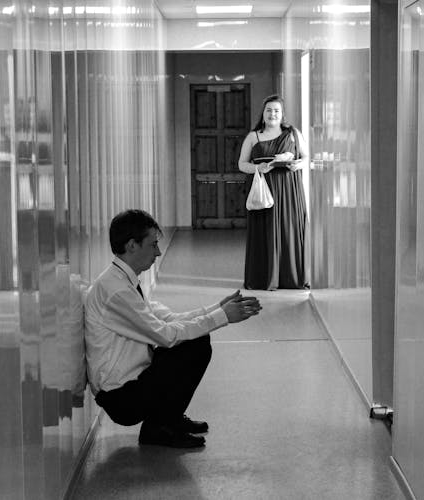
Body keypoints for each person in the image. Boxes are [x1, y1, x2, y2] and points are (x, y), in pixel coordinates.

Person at [84, 209, 262, 448]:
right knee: (194, 345)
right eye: (153, 244)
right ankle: (159, 428)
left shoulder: (123, 280)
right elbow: (166, 336)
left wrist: (217, 309)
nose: (158, 252)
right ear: (132, 246)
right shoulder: (116, 291)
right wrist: (222, 317)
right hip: (121, 398)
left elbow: (168, 319)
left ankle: (168, 420)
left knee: (196, 340)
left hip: (132, 383)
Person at [238, 94, 310, 290]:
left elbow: (305, 157)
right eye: (269, 110)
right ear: (263, 114)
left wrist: (297, 165)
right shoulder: (254, 136)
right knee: (265, 231)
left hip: (289, 190)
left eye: (276, 110)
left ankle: (291, 278)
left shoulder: (293, 133)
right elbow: (242, 164)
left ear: (282, 114)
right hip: (264, 190)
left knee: (289, 230)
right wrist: (258, 169)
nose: (272, 114)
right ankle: (263, 278)